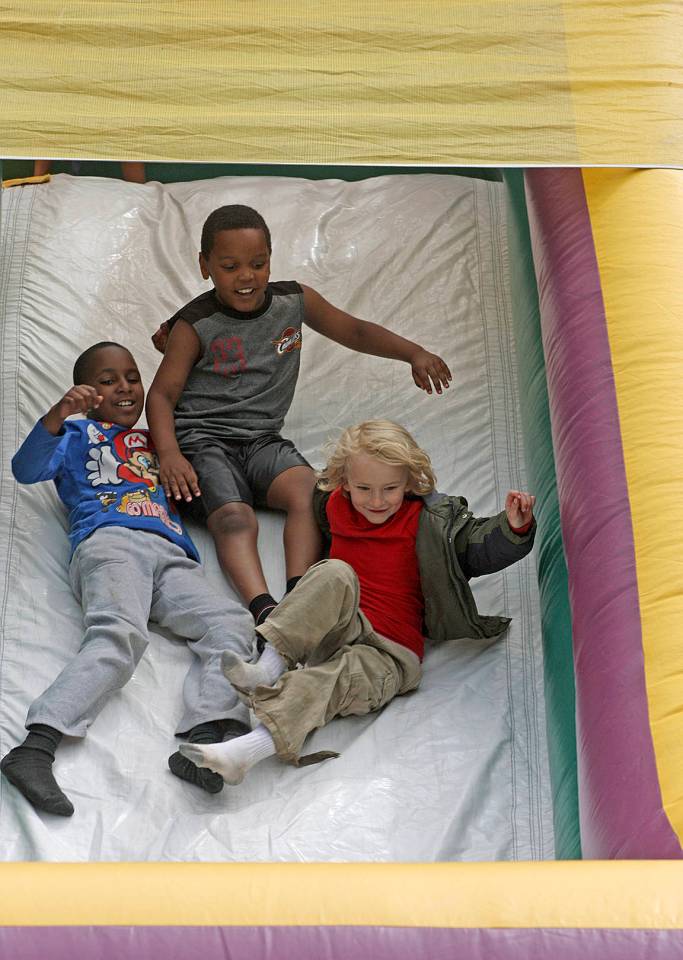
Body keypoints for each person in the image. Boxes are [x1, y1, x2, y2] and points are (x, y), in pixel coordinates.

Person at [177, 419, 536, 786]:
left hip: (388, 655)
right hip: (338, 630)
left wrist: (513, 527)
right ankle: (268, 668)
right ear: (344, 482)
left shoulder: (429, 522)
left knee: (327, 682)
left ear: (410, 482)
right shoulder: (333, 505)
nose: (376, 501)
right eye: (364, 488)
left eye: (390, 489)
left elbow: (477, 547)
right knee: (334, 571)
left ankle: (243, 753)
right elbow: (300, 504)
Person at [146, 205, 453, 632]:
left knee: (310, 492)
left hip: (262, 441)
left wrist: (413, 353)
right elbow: (161, 395)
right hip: (204, 442)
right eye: (230, 266)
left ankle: (299, 595)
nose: (247, 276)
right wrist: (170, 454)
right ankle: (263, 607)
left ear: (271, 257)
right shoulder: (196, 324)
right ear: (205, 266)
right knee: (236, 517)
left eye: (258, 264)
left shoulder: (293, 301)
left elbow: (356, 330)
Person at [0, 342, 254, 817]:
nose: (124, 387)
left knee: (231, 624)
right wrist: (60, 414)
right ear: (88, 392)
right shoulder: (76, 434)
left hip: (172, 555)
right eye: (108, 379)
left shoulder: (161, 441)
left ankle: (203, 739)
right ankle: (35, 748)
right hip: (111, 539)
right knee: (120, 635)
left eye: (133, 377)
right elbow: (25, 468)